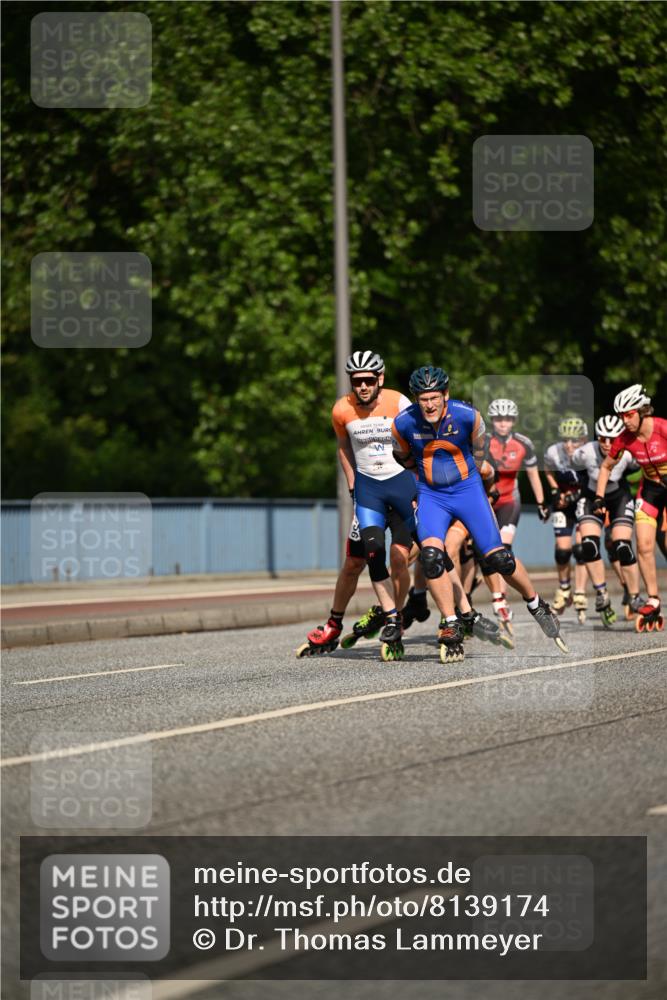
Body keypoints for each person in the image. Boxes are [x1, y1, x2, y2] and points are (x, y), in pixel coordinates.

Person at [392, 366, 566, 662]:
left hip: (468, 491)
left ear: (445, 395)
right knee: (432, 557)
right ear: (416, 399)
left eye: (434, 397)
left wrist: (477, 479)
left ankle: (536, 603)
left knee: (499, 558)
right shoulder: (403, 424)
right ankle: (450, 623)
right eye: (423, 399)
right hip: (432, 495)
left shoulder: (467, 415)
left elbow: (481, 451)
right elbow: (404, 457)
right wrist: (421, 487)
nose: (430, 404)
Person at [296, 350, 417, 660]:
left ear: (380, 378)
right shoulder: (341, 410)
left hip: (401, 488)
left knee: (401, 558)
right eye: (356, 381)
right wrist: (352, 483)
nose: (362, 387)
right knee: (354, 562)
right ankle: (334, 623)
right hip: (368, 494)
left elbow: (419, 443)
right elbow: (344, 448)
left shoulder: (400, 403)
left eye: (367, 380)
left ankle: (395, 614)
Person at [594, 384, 666, 632]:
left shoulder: (662, 428)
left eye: (629, 414)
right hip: (651, 491)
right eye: (621, 416)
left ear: (642, 411)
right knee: (644, 545)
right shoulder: (625, 438)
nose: (625, 421)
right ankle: (653, 599)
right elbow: (606, 467)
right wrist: (599, 497)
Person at [482, 398, 550, 633]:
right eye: (499, 419)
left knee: (502, 549)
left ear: (514, 421)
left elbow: (532, 475)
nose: (503, 423)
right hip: (486, 501)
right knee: (482, 553)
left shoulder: (523, 443)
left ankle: (500, 597)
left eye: (508, 419)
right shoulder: (484, 441)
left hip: (510, 501)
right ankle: (494, 596)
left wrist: (541, 502)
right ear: (492, 421)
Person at [573, 415, 642, 626]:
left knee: (622, 546)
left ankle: (634, 595)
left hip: (618, 496)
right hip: (592, 496)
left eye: (612, 439)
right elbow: (563, 468)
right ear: (597, 437)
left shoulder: (628, 451)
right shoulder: (584, 453)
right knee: (589, 545)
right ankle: (601, 593)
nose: (607, 444)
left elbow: (647, 467)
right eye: (603, 438)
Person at [544, 417, 590, 622]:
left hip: (584, 500)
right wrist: (554, 490)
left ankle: (580, 591)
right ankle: (564, 589)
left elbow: (596, 483)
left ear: (584, 439)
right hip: (564, 502)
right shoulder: (554, 452)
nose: (570, 445)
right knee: (562, 552)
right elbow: (546, 467)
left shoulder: (590, 454)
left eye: (575, 441)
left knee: (581, 549)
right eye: (566, 440)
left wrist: (573, 496)